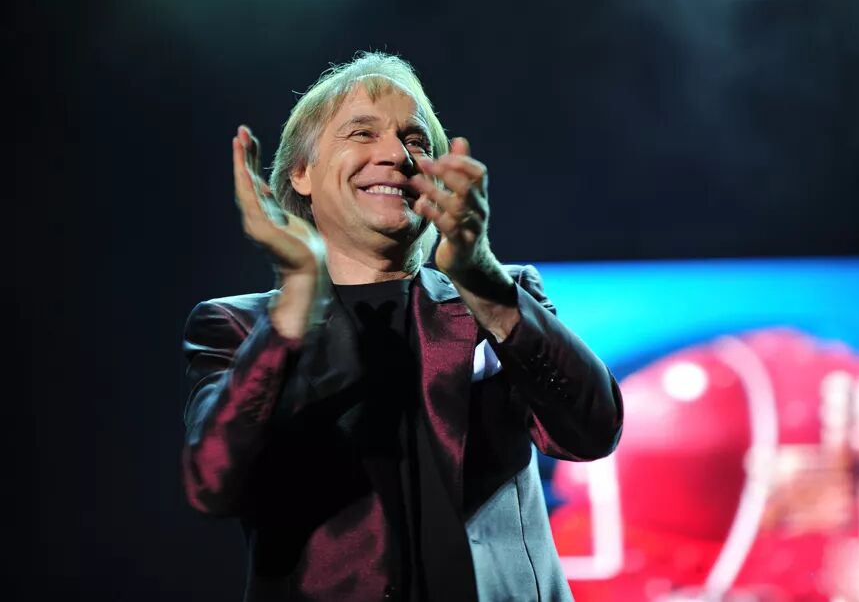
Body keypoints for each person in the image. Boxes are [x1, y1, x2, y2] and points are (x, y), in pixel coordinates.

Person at [180, 51, 624, 602]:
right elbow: (212, 484)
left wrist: (481, 280)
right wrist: (295, 307)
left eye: (415, 140)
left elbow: (592, 432)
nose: (396, 155)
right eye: (362, 133)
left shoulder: (497, 296)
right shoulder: (239, 326)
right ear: (302, 173)